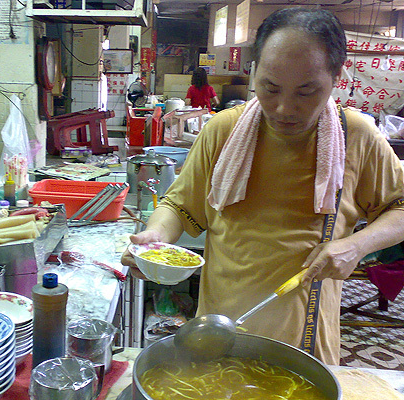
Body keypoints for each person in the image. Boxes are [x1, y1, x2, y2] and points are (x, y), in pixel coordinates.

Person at [122, 8, 404, 365]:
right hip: (222, 325)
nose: (285, 108)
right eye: (270, 88)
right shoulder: (223, 130)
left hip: (306, 334)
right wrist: (155, 238)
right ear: (254, 72)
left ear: (337, 76)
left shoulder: (357, 137)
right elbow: (179, 207)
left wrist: (356, 245)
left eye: (306, 91)